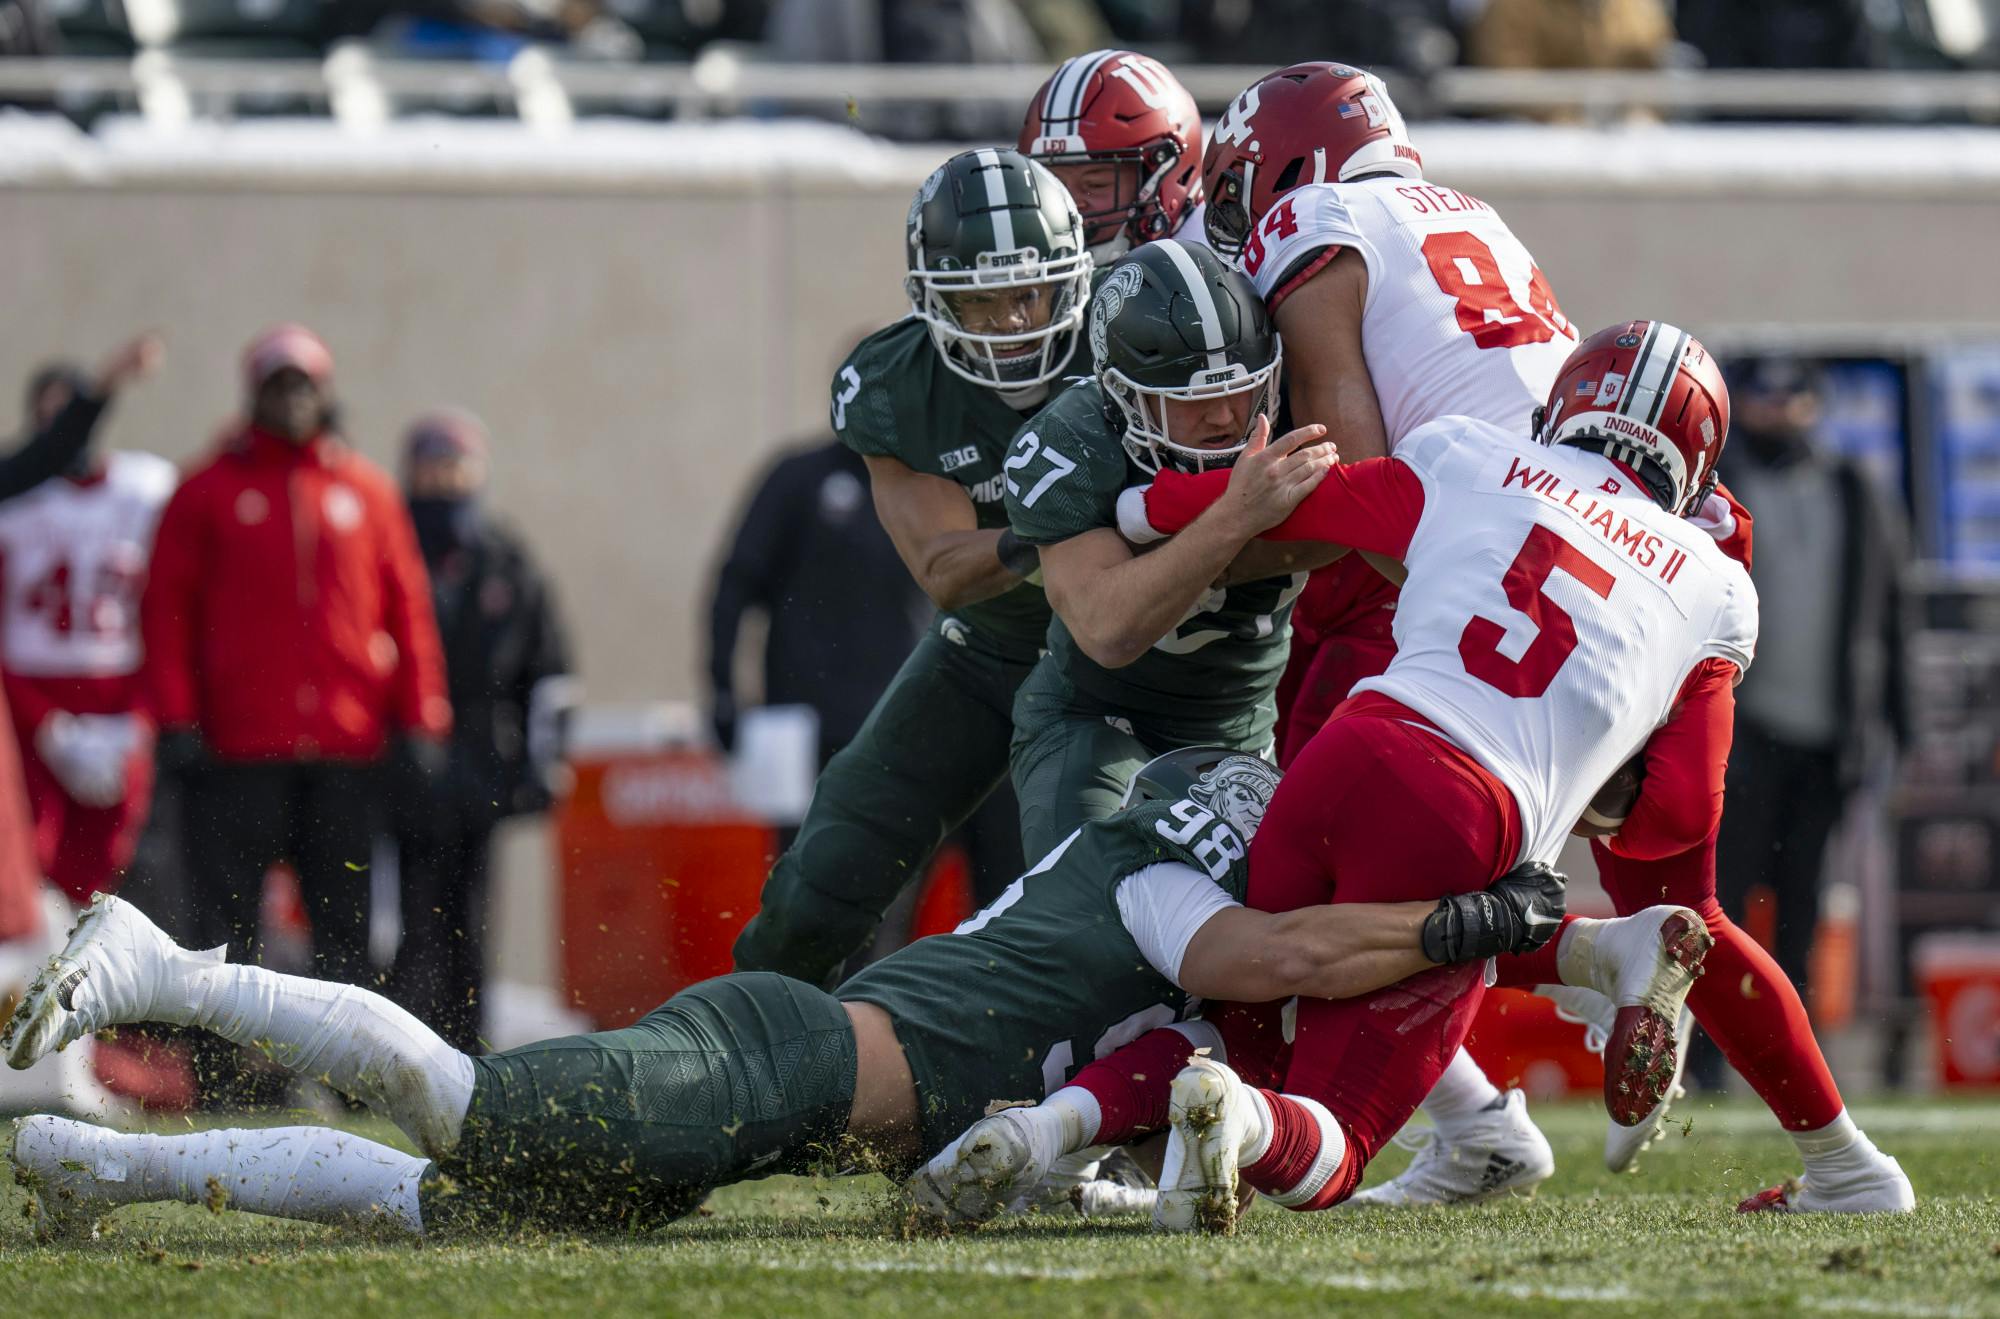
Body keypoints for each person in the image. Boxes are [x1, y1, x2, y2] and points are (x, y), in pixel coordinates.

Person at [1006, 320, 1912, 1222]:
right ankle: (1814, 1136)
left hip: (1341, 753)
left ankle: (1056, 1139)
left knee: (1252, 1012)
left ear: (1563, 406)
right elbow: (1673, 817)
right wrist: (1597, 765)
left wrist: (1137, 510)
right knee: (1341, 1122)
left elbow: (1293, 502)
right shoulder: (1714, 585)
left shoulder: (1469, 458)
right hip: (1471, 815)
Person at [6, 747, 1578, 1236]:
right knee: (474, 1109)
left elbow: (1281, 1017)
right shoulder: (1173, 889)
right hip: (793, 1057)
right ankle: (160, 960)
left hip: (811, 1100)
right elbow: (1295, 958)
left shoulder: (1175, 919)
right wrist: (1481, 920)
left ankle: (95, 1167)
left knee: (464, 1208)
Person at [730, 148, 1091, 986]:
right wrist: (1071, 529)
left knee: (1075, 889)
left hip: (1122, 657)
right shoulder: (894, 384)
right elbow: (944, 567)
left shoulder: (1128, 334)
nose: (1009, 322)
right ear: (933, 299)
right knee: (825, 877)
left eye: (1027, 292)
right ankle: (751, 1054)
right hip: (987, 647)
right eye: (981, 299)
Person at [140, 324, 449, 1099]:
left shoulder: (367, 491)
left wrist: (423, 716)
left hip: (344, 751)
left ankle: (348, 1079)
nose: (294, 397)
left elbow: (406, 608)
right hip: (237, 751)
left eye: (305, 382)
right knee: (225, 926)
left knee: (343, 924)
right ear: (255, 394)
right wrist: (174, 719)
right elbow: (165, 612)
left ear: (326, 390)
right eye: (279, 383)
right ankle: (227, 1079)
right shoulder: (205, 491)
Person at [1003, 238, 1336, 860]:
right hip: (1099, 721)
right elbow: (1108, 630)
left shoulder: (1304, 401)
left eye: (1244, 390)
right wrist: (1235, 516)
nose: (1226, 417)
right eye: (1192, 400)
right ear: (1122, 396)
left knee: (1251, 938)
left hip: (1237, 734)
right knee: (1091, 908)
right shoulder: (1072, 439)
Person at [1707, 358, 1911, 1009]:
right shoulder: (1721, 485)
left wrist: (1896, 730)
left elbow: (1891, 615)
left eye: (1793, 396)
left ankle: (1792, 1037)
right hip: (1740, 733)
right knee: (1724, 895)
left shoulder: (1855, 488)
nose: (1780, 409)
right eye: (1765, 396)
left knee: (1805, 898)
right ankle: (1713, 1047)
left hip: (1827, 737)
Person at [388, 410, 573, 1054]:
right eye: (431, 465)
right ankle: (394, 1053)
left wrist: (544, 765)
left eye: (456, 464)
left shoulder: (504, 557)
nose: (444, 479)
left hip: (482, 764)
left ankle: (464, 1054)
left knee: (472, 917)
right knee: (404, 920)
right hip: (399, 765)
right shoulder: (388, 549)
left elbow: (547, 672)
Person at [0, 370, 176, 907]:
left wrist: (143, 715)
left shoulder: (146, 491)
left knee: (109, 869)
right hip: (30, 694)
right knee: (29, 858)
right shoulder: (14, 501)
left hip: (118, 691)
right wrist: (43, 723)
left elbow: (169, 612)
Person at [1017, 49, 1206, 264]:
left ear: (1170, 175)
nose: (1069, 203)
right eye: (1053, 185)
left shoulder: (1220, 270)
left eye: (1095, 184)